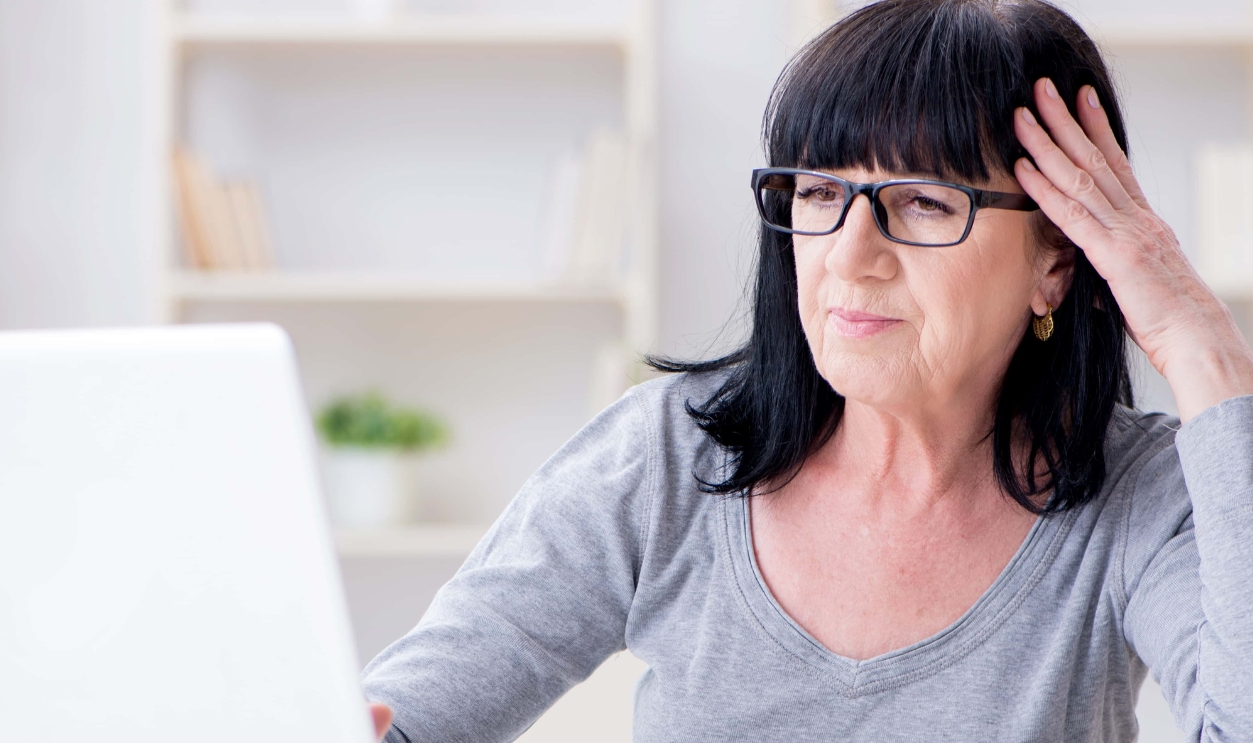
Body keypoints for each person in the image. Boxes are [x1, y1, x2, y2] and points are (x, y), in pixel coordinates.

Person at [361, 1, 1253, 740]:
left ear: (1054, 258)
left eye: (922, 202)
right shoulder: (665, 456)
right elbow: (403, 720)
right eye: (821, 192)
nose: (848, 255)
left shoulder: (1144, 497)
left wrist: (1197, 342)